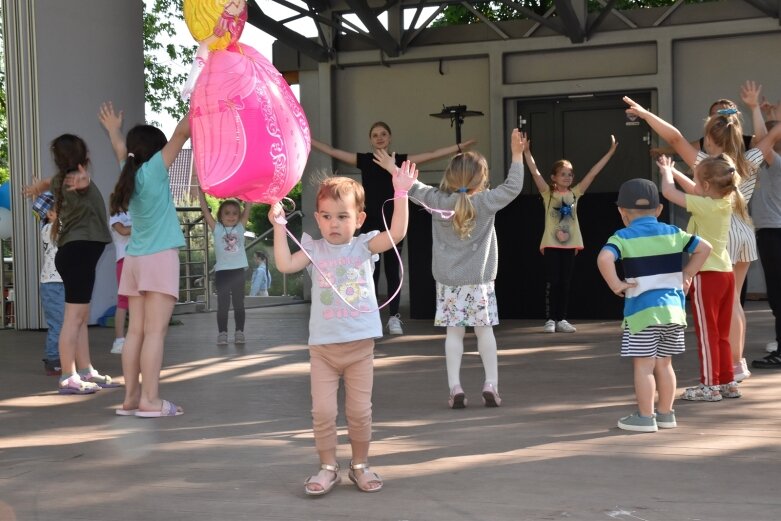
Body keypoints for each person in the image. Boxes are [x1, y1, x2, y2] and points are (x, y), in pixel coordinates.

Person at [268, 162, 416, 496]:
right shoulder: (314, 248)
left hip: (359, 347)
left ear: (359, 219)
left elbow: (397, 233)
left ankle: (360, 465)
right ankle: (328, 467)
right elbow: (284, 264)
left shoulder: (363, 246)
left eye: (342, 216)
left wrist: (401, 192)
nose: (333, 224)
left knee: (359, 412)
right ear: (317, 218)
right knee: (322, 411)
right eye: (326, 216)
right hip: (323, 349)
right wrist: (279, 227)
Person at [376, 129, 526, 408]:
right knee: (485, 333)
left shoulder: (436, 201)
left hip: (448, 284)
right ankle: (490, 384)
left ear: (450, 175)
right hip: (479, 283)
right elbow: (513, 187)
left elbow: (411, 187)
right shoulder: (486, 201)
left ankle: (455, 387)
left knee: (453, 335)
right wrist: (517, 155)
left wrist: (391, 167)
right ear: (482, 179)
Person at [624, 94, 765, 384]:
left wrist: (646, 114)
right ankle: (735, 364)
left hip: (718, 237)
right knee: (735, 301)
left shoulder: (707, 166)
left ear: (710, 140)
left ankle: (721, 371)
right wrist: (756, 110)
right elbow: (769, 138)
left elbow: (675, 138)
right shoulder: (746, 161)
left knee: (716, 312)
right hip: (743, 230)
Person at [311, 123, 476, 335]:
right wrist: (309, 139)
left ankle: (394, 317)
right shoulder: (365, 160)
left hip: (393, 222)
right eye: (375, 135)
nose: (379, 138)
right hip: (370, 224)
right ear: (370, 139)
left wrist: (459, 146)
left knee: (392, 271)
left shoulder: (399, 160)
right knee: (369, 271)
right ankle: (365, 313)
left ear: (389, 138)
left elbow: (432, 153)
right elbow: (333, 151)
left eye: (383, 134)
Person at [597, 178, 711, 432]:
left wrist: (616, 284)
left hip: (642, 315)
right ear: (659, 210)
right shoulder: (673, 232)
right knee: (665, 364)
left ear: (622, 212)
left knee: (644, 365)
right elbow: (705, 247)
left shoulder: (622, 236)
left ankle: (646, 417)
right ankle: (666, 414)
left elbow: (604, 258)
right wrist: (687, 273)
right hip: (673, 312)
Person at [99, 101, 190, 417]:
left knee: (136, 331)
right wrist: (202, 96)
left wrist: (113, 130)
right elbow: (183, 131)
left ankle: (131, 398)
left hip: (135, 260)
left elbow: (121, 150)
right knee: (155, 332)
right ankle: (150, 401)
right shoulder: (154, 169)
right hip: (159, 259)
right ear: (156, 150)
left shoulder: (130, 170)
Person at [23, 135, 116, 394]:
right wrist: (83, 181)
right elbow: (81, 184)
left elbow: (47, 182)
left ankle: (85, 370)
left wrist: (37, 189)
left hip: (78, 254)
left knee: (80, 316)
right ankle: (68, 375)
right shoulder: (77, 179)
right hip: (77, 254)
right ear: (83, 157)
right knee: (73, 318)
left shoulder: (61, 179)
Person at [654, 153, 745, 401]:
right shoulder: (726, 201)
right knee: (722, 334)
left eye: (697, 181)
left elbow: (670, 193)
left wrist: (665, 174)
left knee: (707, 335)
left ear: (706, 186)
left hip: (708, 276)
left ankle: (709, 386)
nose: (694, 185)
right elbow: (696, 188)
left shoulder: (704, 205)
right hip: (726, 274)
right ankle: (728, 382)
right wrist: (675, 172)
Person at [524, 134, 618, 333]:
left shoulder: (575, 193)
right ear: (554, 177)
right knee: (553, 281)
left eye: (570, 174)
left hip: (570, 244)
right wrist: (526, 152)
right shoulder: (547, 194)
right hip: (551, 244)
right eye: (563, 174)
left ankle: (562, 319)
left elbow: (593, 173)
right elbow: (535, 173)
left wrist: (609, 153)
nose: (567, 177)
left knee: (565, 282)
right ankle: (550, 319)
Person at [649, 81, 765, 156]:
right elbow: (682, 145)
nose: (716, 118)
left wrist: (755, 108)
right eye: (712, 114)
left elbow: (765, 142)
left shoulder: (747, 144)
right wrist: (661, 151)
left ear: (732, 117)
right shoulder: (705, 153)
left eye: (721, 113)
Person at [198, 188, 252, 345]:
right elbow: (204, 209)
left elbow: (248, 205)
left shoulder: (240, 227)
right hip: (222, 272)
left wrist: (249, 186)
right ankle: (222, 333)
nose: (231, 216)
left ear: (239, 216)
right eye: (227, 213)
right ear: (220, 216)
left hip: (238, 272)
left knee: (238, 303)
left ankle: (239, 332)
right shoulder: (217, 229)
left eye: (235, 213)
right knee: (223, 305)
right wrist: (200, 192)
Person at [750, 121, 781, 366]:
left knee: (778, 295)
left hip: (775, 234)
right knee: (775, 294)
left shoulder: (776, 165)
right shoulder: (764, 168)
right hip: (768, 234)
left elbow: (765, 141)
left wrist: (755, 109)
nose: (753, 144)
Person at [33, 192, 64, 376]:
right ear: (50, 214)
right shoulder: (50, 229)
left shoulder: (55, 227)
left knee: (63, 323)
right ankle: (53, 359)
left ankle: (61, 356)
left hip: (58, 283)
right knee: (57, 324)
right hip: (52, 285)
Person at [108, 207, 132, 354]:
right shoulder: (115, 214)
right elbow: (122, 230)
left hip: (139, 258)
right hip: (124, 260)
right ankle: (119, 340)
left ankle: (135, 337)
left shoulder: (136, 212)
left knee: (139, 299)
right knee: (123, 300)